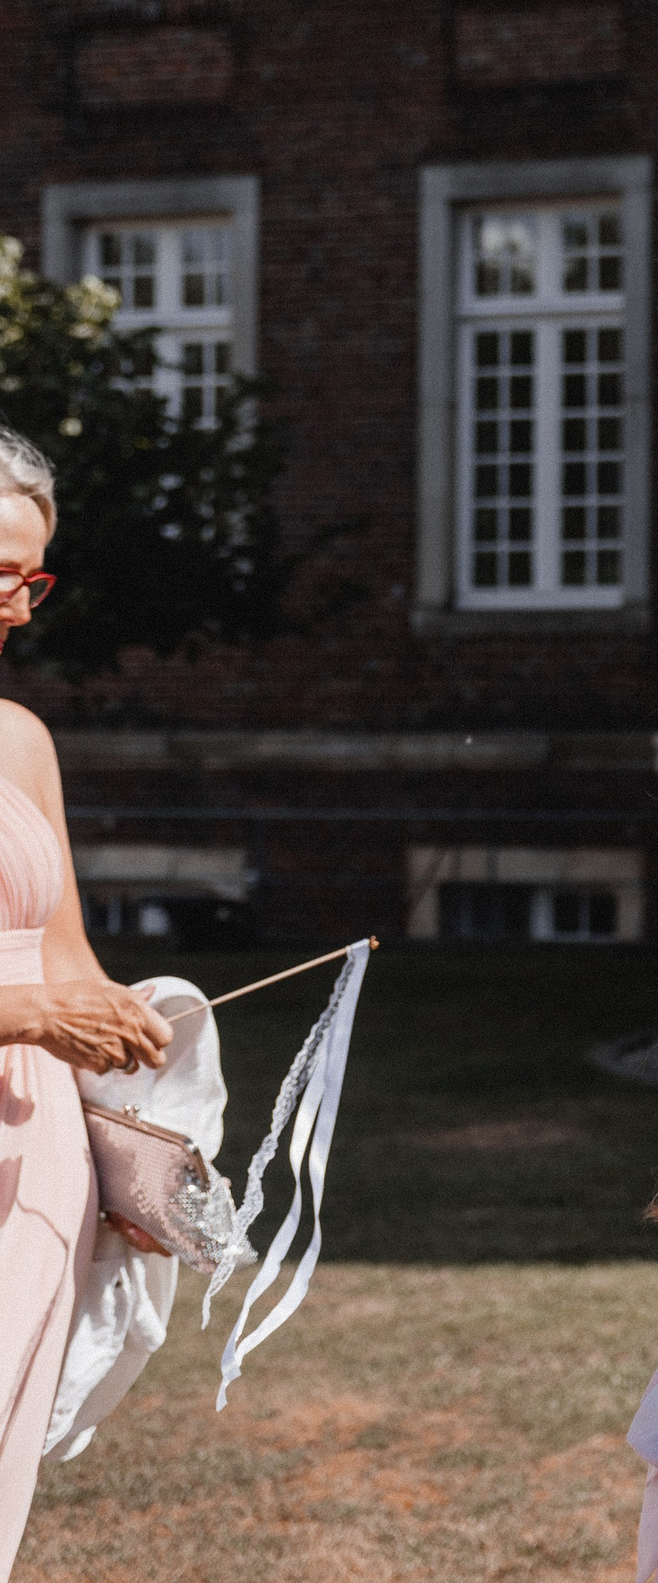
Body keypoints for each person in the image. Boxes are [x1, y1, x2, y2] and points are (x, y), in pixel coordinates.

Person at [0, 426, 176, 1581]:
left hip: (31, 1159)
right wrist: (21, 1014)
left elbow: (70, 967)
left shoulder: (19, 741)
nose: (19, 609)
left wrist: (142, 1031)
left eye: (32, 578)